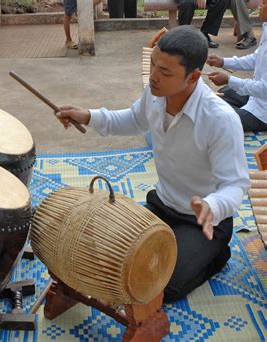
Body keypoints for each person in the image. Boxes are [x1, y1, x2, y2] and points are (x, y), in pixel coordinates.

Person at [55, 25, 250, 303]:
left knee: (159, 286)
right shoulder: (156, 95)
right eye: (154, 65)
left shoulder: (220, 120)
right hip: (161, 206)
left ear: (194, 76)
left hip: (203, 222)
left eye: (165, 72)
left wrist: (213, 205)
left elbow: (235, 184)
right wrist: (87, 116)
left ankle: (215, 253)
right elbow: (133, 120)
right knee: (111, 256)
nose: (154, 77)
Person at [207, 0, 266, 132]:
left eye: (264, 4)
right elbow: (255, 59)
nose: (259, 6)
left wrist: (229, 79)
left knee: (217, 117)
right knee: (221, 94)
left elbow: (264, 88)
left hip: (264, 114)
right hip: (258, 99)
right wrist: (222, 62)